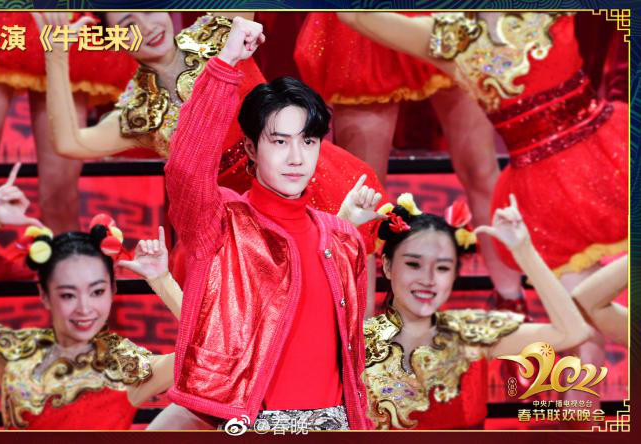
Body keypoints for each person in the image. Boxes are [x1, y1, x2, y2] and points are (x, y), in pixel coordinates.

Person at [335, 11, 629, 424]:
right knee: (581, 323)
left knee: (585, 313)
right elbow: (353, 15)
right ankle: (580, 426)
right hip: (547, 191)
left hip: (611, 153)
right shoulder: (449, 36)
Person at [34, 12, 388, 312]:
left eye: (152, 8)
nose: (147, 25)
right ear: (113, 40)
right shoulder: (141, 112)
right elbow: (70, 142)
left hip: (309, 182)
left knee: (350, 309)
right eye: (128, 24)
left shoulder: (217, 33)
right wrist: (56, 56)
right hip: (235, 222)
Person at [160, 17, 370, 430]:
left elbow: (353, 359)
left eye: (308, 141)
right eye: (279, 141)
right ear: (252, 149)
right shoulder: (221, 225)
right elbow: (185, 169)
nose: (296, 157)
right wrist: (225, 64)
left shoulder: (343, 238)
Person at [0, 163, 175, 429]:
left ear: (112, 291)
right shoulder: (15, 354)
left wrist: (161, 280)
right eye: (68, 295)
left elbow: (201, 352)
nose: (84, 308)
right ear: (44, 295)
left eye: (97, 292)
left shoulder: (129, 367)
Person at [294, 12, 526, 314]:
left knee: (480, 170)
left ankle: (512, 303)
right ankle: (359, 326)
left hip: (444, 13)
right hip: (365, 22)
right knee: (361, 195)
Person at [363, 192, 590, 429]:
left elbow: (573, 332)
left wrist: (524, 250)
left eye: (442, 268)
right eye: (413, 264)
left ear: (454, 275)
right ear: (387, 266)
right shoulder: (356, 341)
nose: (428, 279)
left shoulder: (470, 333)